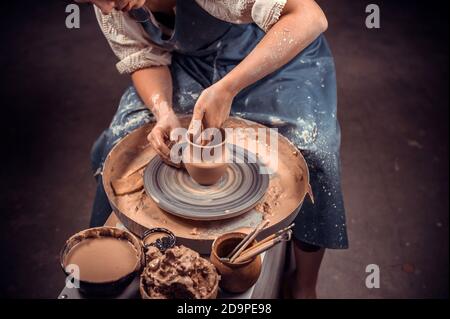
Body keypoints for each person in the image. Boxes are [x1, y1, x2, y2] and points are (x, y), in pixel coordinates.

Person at [78, 0, 349, 298]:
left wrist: (228, 87)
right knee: (121, 142)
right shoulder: (110, 4)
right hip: (194, 62)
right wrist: (163, 111)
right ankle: (119, 272)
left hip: (277, 53)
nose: (104, 9)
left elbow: (309, 17)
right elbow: (144, 57)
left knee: (313, 150)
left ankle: (304, 283)